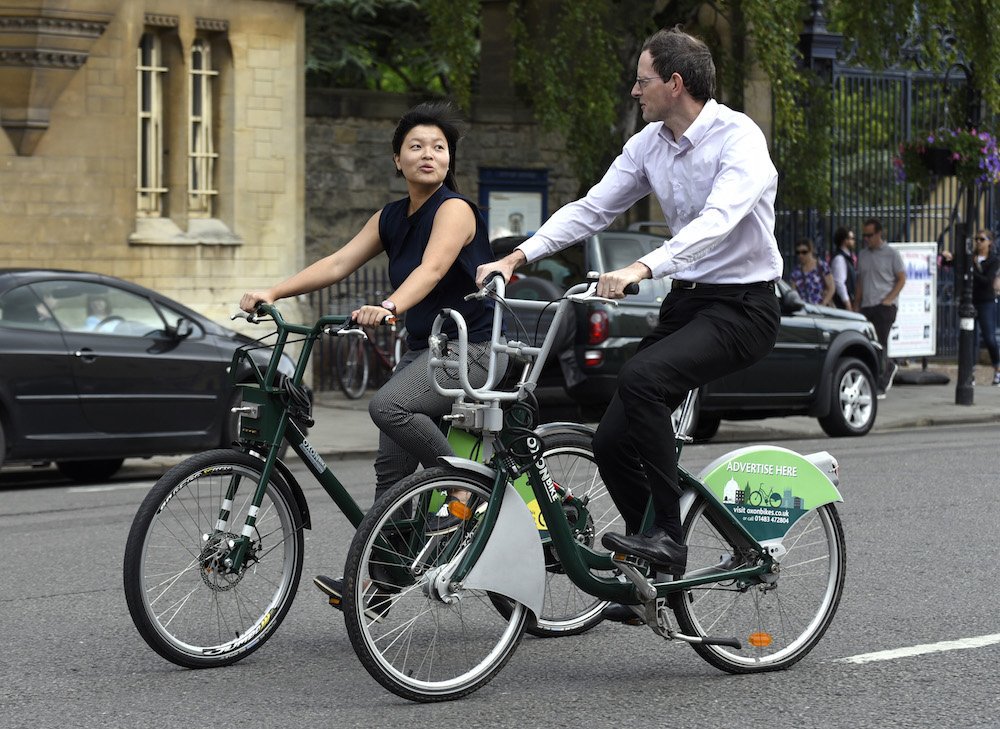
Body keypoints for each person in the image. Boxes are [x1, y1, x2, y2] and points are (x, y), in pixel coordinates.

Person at [477, 27, 782, 625]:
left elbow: (719, 221)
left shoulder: (739, 137)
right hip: (689, 303)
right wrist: (517, 258)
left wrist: (642, 265)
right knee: (613, 441)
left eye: (643, 79)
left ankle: (669, 536)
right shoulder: (650, 144)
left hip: (744, 307)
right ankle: (656, 578)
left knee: (642, 379)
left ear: (675, 83)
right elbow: (593, 208)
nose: (634, 89)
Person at [239, 101, 505, 607]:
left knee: (389, 407)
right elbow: (339, 261)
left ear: (449, 160)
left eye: (439, 148)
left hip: (471, 349)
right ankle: (384, 580)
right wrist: (272, 292)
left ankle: (466, 485)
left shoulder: (455, 209)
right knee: (390, 473)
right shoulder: (388, 218)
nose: (429, 155)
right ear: (397, 160)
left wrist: (387, 306)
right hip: (425, 352)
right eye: (416, 146)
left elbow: (431, 270)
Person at [854, 217, 906, 390]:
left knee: (880, 342)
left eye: (869, 235)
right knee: (867, 342)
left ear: (879, 233)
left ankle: (882, 377)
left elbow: (901, 278)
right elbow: (860, 281)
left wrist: (889, 299)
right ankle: (884, 368)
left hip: (884, 305)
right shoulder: (862, 255)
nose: (866, 239)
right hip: (867, 305)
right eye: (864, 235)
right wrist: (856, 304)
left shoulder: (891, 254)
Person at [971, 230, 1000, 385]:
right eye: (976, 239)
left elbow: (987, 281)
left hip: (986, 302)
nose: (978, 242)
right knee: (971, 339)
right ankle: (970, 372)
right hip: (970, 301)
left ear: (990, 242)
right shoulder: (971, 257)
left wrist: (973, 269)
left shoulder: (993, 260)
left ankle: (997, 369)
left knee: (989, 337)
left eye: (982, 239)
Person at [789, 237, 835, 305]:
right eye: (798, 253)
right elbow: (793, 293)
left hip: (821, 309)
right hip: (805, 310)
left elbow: (831, 288)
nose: (800, 255)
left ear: (811, 251)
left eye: (804, 252)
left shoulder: (822, 266)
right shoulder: (795, 273)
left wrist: (823, 304)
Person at [830, 226, 857, 309]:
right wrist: (847, 303)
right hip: (842, 304)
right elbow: (839, 283)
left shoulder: (847, 258)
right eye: (851, 238)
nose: (853, 241)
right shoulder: (840, 259)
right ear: (844, 240)